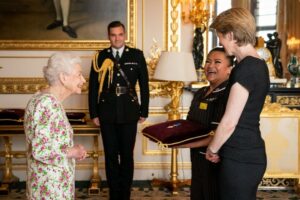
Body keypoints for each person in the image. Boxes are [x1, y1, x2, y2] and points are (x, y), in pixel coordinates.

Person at [205, 8, 270, 200]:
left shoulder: (247, 68)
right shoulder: (254, 65)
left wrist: (212, 148)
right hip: (244, 153)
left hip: (241, 158)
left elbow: (230, 121)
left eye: (221, 37)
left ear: (232, 35)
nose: (220, 43)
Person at [88, 21, 149, 200]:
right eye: (113, 35)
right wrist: (94, 113)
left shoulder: (136, 56)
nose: (117, 38)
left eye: (120, 34)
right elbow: (92, 87)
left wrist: (144, 110)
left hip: (130, 112)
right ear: (109, 36)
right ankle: (114, 195)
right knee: (111, 156)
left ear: (125, 35)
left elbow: (144, 86)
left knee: (127, 156)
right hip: (106, 112)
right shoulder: (99, 57)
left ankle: (125, 195)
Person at [24, 52, 87, 199]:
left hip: (50, 186)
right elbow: (41, 150)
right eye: (79, 74)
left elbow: (51, 143)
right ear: (63, 78)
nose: (83, 80)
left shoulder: (45, 100)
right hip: (49, 190)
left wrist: (72, 150)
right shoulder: (47, 104)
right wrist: (72, 152)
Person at [176, 47, 234, 200]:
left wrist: (181, 143)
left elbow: (215, 134)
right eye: (208, 61)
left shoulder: (227, 94)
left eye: (217, 62)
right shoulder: (200, 93)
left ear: (229, 69)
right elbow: (189, 124)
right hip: (197, 158)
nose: (210, 66)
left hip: (215, 159)